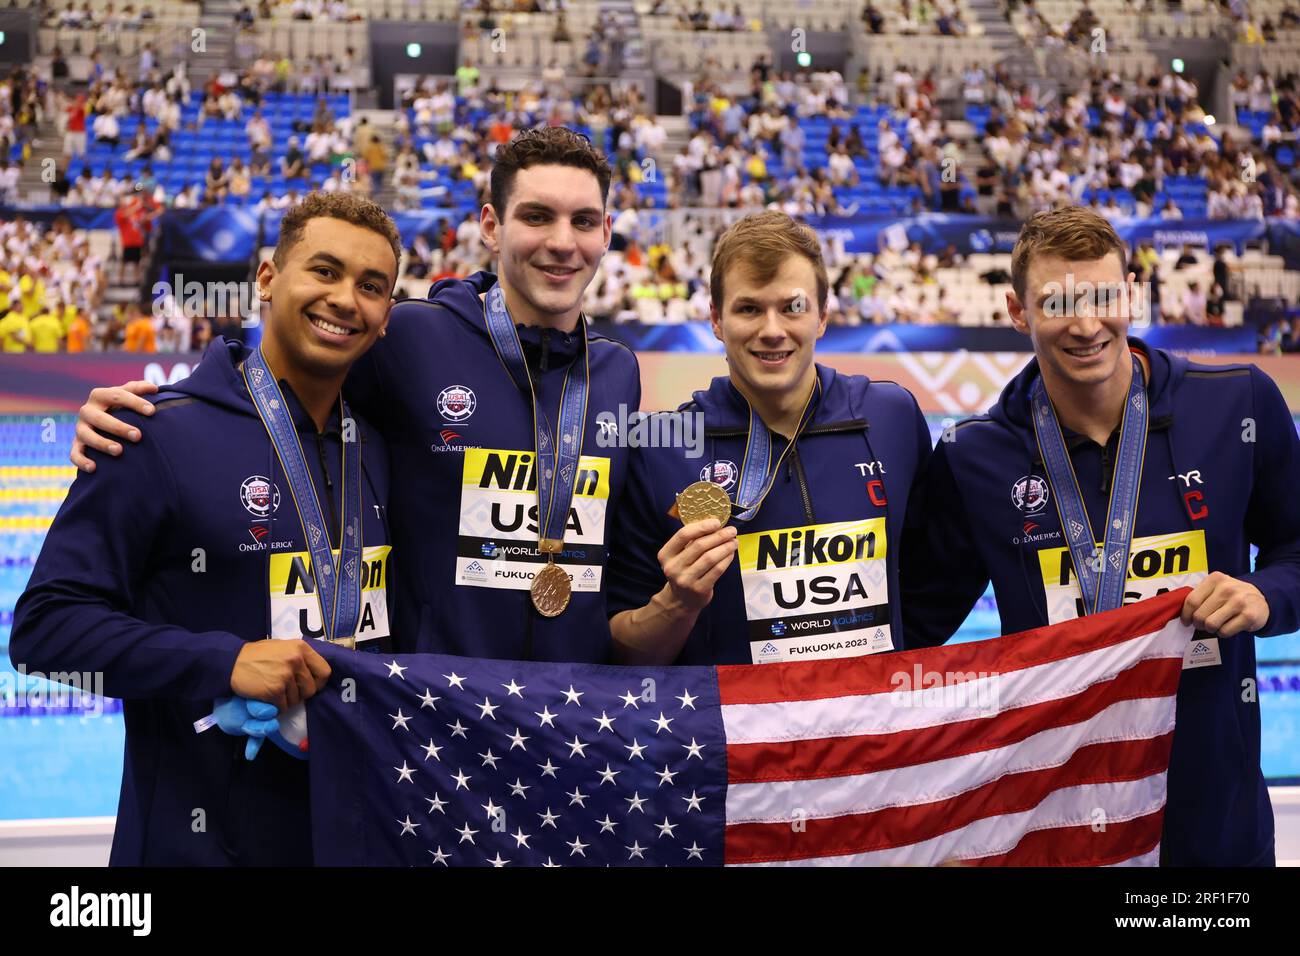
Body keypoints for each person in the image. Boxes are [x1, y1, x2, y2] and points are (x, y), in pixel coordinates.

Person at [70, 128, 641, 664]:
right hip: (434, 726)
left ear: (607, 231)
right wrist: (160, 418)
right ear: (490, 226)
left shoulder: (617, 373)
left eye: (584, 221)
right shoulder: (414, 337)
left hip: (567, 724)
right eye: (538, 216)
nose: (563, 242)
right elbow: (284, 384)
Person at [901, 206, 1300, 867]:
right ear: (1017, 311)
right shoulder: (975, 460)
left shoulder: (1239, 404)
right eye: (1058, 302)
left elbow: (1295, 551)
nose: (1086, 325)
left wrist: (1265, 596)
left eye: (1103, 297)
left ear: (1132, 294)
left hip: (1212, 821)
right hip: (1055, 823)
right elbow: (912, 626)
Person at [11, 193, 401, 865]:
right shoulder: (152, 433)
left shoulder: (385, 450)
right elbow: (46, 628)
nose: (346, 299)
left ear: (387, 317)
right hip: (198, 847)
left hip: (349, 834)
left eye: (372, 287)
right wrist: (224, 661)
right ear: (267, 278)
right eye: (324, 271)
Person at [607, 211, 932, 664]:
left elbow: (934, 584)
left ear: (822, 316)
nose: (773, 330)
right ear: (716, 320)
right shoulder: (661, 449)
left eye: (792, 307)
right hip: (732, 733)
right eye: (749, 308)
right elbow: (619, 652)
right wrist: (677, 604)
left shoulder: (891, 418)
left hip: (868, 729)